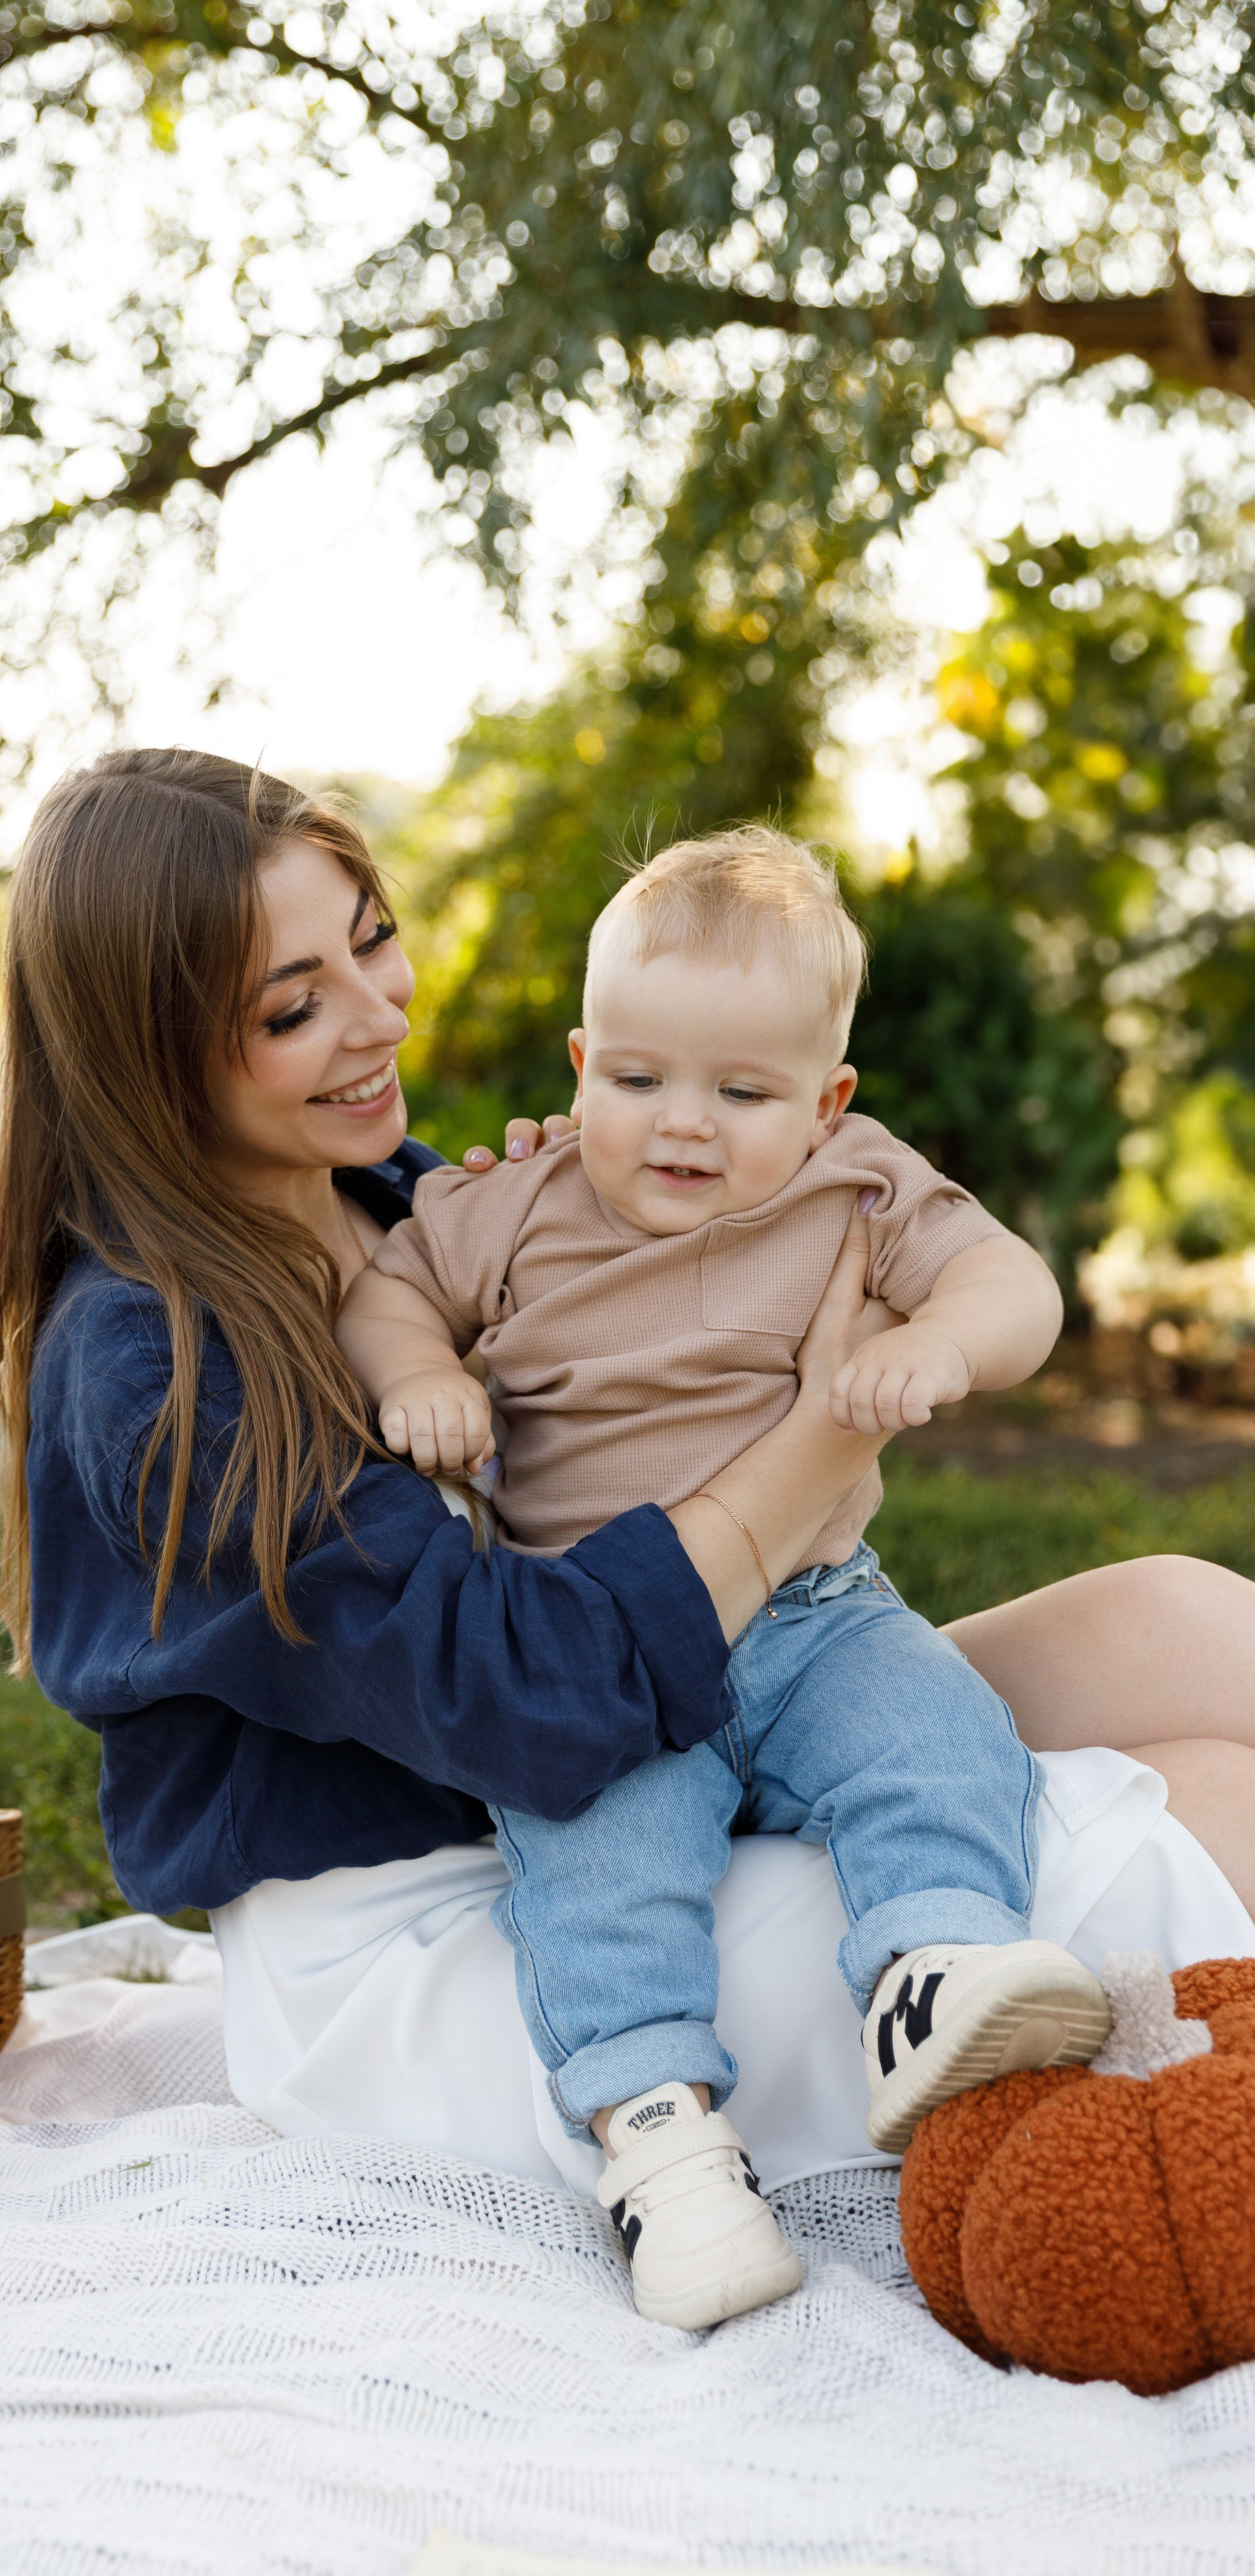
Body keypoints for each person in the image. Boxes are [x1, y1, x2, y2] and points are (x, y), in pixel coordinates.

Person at [0, 747, 1255, 2259]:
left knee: (1188, 1622)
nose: (377, 1018)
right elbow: (525, 1695)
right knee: (1197, 1814)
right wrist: (822, 1439)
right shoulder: (149, 1363)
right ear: (148, 1054)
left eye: (370, 939)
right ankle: (751, 2088)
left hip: (684, 1720)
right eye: (289, 1007)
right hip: (469, 1911)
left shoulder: (397, 1200)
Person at [334, 828, 1106, 2329]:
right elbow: (388, 1289)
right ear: (578, 1066)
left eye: (740, 1094)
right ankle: (660, 2145)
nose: (679, 1125)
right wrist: (420, 1371)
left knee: (933, 1735)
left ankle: (931, 1969)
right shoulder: (514, 1203)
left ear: (824, 1102)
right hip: (606, 1653)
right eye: (635, 1081)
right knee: (600, 1868)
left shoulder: (852, 1186)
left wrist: (935, 1342)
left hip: (814, 1619)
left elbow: (1013, 1282)